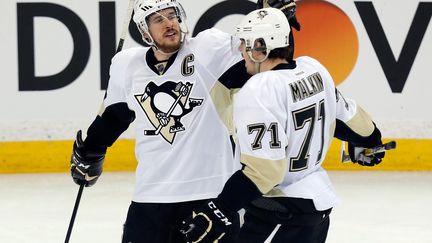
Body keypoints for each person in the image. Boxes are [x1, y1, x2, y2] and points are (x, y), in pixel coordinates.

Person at [180, 7, 386, 243]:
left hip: (280, 213)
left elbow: (265, 172)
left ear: (260, 48)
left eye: (245, 43)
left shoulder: (258, 91)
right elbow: (349, 120)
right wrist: (371, 142)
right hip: (315, 209)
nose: (240, 50)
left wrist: (218, 210)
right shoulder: (314, 68)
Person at [68, 0, 256, 242]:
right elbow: (114, 116)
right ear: (145, 31)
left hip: (209, 196)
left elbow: (257, 51)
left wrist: (270, 11)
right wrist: (92, 150)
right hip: (149, 198)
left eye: (172, 16)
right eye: (158, 19)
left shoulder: (208, 50)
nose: (169, 24)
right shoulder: (127, 65)